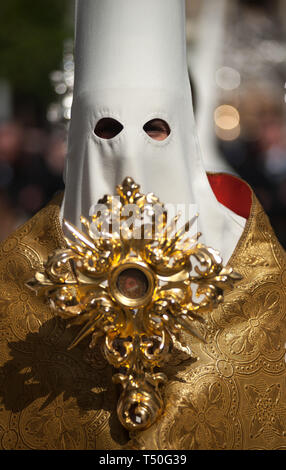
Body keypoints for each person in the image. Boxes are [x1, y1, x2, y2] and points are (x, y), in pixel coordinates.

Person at [0, 0, 285, 450]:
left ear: (185, 132)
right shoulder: (22, 270)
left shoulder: (250, 258)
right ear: (79, 138)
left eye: (156, 126)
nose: (129, 152)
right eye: (108, 128)